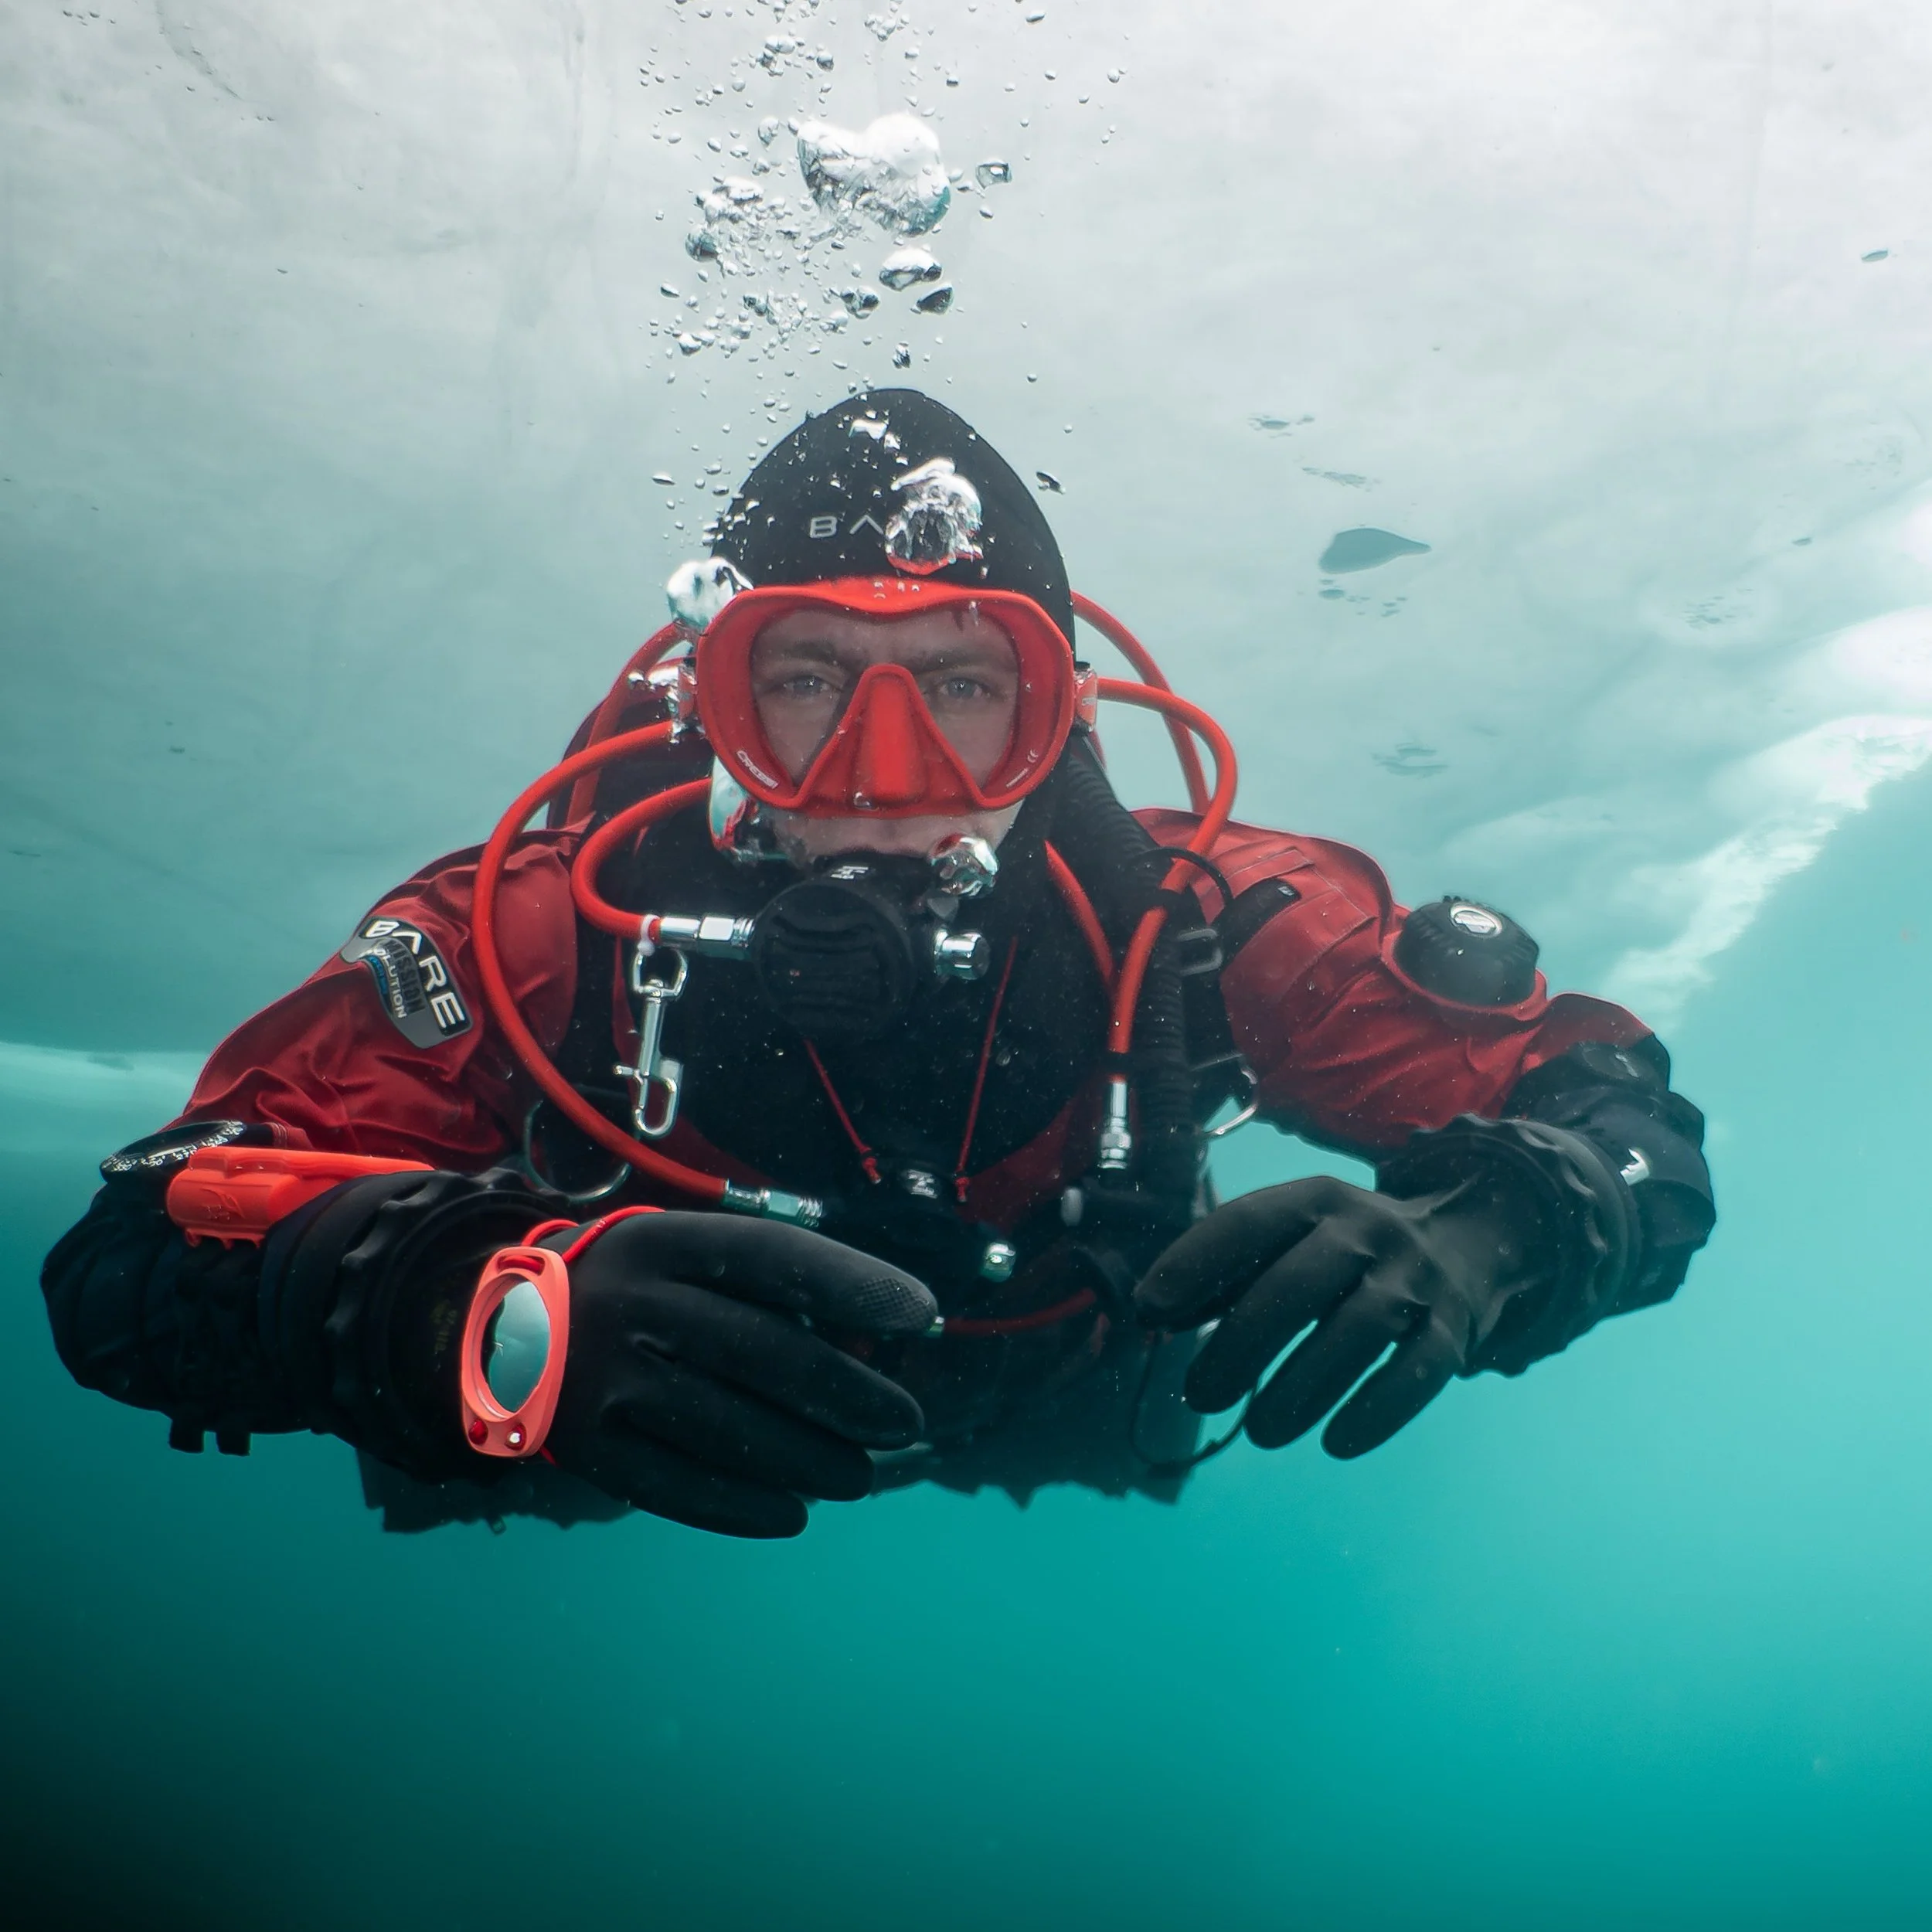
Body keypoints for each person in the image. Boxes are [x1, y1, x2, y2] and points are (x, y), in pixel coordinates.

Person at [41, 391, 1715, 1538]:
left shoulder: (1198, 915)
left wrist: (1493, 1230)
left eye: (963, 685)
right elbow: (137, 1239)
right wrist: (450, 1301)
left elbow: (1614, 1116)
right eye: (808, 680)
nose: (883, 769)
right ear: (713, 701)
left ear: (1055, 714)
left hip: (1064, 1386)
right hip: (624, 1412)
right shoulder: (545, 926)